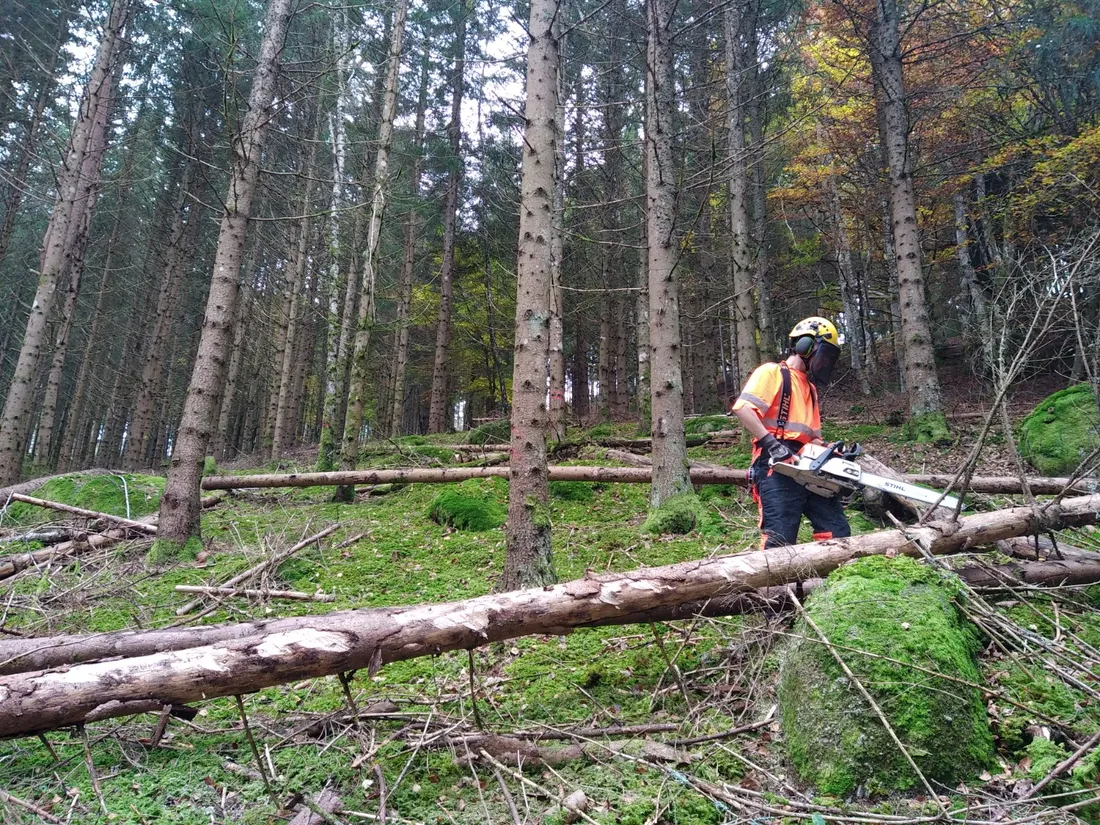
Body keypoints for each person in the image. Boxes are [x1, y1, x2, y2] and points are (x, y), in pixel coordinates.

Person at [731, 316, 851, 549]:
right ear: (805, 345)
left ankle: (828, 581)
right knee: (780, 537)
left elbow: (813, 437)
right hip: (775, 463)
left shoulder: (811, 389)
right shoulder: (772, 373)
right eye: (823, 353)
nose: (824, 362)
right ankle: (776, 585)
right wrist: (772, 444)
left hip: (808, 464)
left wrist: (831, 451)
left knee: (836, 530)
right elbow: (743, 408)